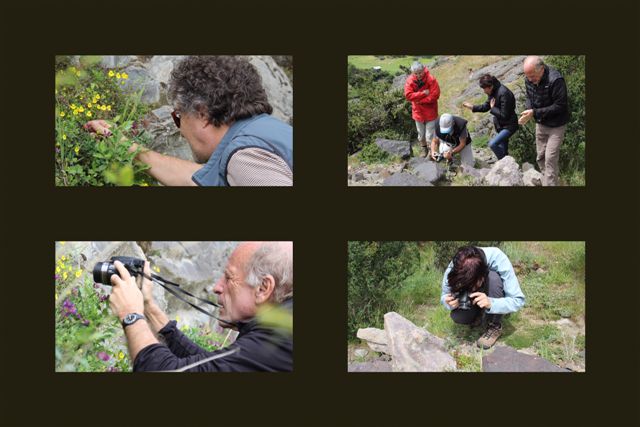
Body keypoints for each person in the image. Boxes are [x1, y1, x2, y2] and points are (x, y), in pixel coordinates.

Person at [86, 56, 293, 186]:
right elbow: (199, 178)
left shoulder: (244, 159)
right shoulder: (264, 132)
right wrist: (125, 146)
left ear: (202, 114)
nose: (181, 131)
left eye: (178, 117)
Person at [107, 241, 293, 372]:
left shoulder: (278, 340)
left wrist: (131, 314)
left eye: (229, 278)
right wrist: (149, 308)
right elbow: (214, 367)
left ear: (263, 288)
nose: (217, 287)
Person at [440, 246, 525, 349]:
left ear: (481, 277)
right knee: (460, 317)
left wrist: (491, 303)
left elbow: (518, 300)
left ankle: (494, 326)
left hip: (492, 288)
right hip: (474, 288)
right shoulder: (457, 265)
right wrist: (448, 302)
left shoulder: (497, 258)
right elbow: (444, 294)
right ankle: (479, 314)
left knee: (493, 278)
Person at [519, 56, 569, 186]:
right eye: (527, 76)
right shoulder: (529, 78)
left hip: (557, 125)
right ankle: (549, 182)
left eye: (532, 76)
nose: (530, 79)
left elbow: (560, 106)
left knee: (550, 159)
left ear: (541, 69)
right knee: (540, 157)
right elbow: (529, 96)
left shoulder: (555, 79)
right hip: (541, 123)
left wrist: (534, 112)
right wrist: (528, 110)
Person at [463, 74, 518, 160]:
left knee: (493, 144)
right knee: (503, 152)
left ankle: (508, 164)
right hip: (500, 126)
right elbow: (486, 106)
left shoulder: (504, 93)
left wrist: (493, 108)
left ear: (490, 86)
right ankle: (506, 166)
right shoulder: (492, 92)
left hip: (509, 126)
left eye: (484, 89)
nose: (484, 91)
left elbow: (504, 115)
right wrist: (472, 107)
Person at [404, 61, 440, 157]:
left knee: (430, 136)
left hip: (430, 112)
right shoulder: (410, 80)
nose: (418, 75)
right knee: (421, 135)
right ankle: (424, 150)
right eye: (416, 73)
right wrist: (423, 93)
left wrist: (420, 101)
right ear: (413, 73)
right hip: (418, 112)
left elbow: (435, 95)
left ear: (424, 70)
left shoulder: (431, 79)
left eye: (420, 72)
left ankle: (432, 152)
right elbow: (408, 95)